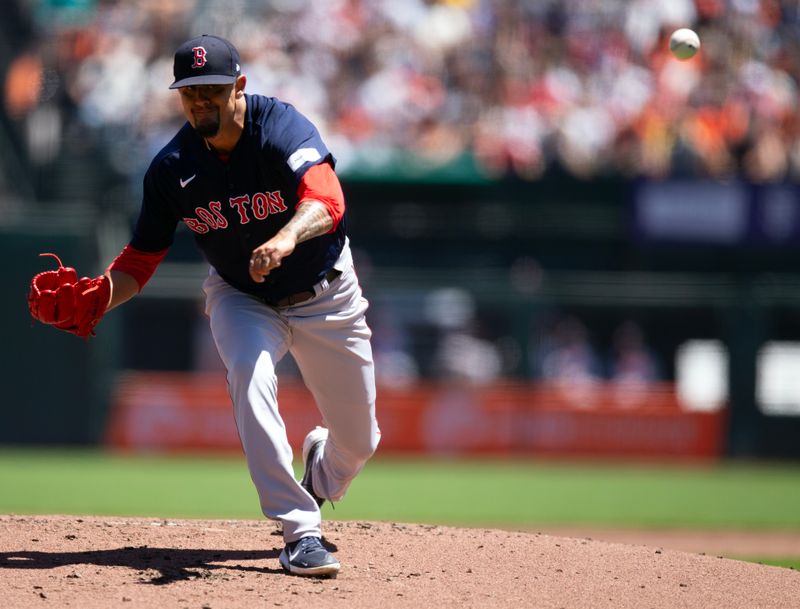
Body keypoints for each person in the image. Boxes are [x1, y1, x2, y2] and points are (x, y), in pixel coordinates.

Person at [27, 34, 380, 578]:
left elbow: (327, 197)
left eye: (212, 89)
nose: (200, 102)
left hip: (326, 294)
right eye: (189, 92)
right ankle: (299, 530)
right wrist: (103, 294)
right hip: (242, 296)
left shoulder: (280, 129)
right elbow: (141, 259)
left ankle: (321, 469)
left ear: (239, 86)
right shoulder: (172, 167)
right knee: (248, 371)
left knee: (360, 442)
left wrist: (285, 239)